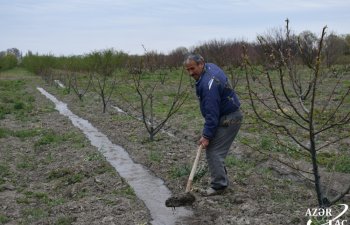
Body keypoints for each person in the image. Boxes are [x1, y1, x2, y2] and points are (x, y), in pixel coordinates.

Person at [184, 53, 243, 196]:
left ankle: (219, 186)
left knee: (213, 151)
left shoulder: (208, 85)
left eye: (193, 69)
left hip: (230, 118)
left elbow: (212, 115)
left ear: (201, 64)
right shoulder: (210, 68)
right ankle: (221, 178)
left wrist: (206, 136)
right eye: (188, 70)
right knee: (214, 149)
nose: (191, 73)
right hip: (227, 114)